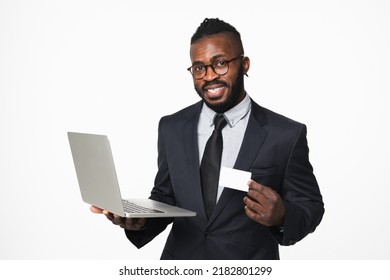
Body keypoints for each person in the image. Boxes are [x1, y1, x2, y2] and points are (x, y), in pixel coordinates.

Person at [91, 18, 324, 260]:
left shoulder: (285, 134)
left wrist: (283, 216)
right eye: (199, 67)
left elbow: (311, 207)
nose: (209, 76)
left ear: (244, 64)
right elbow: (166, 196)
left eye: (220, 63)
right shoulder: (172, 127)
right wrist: (140, 220)